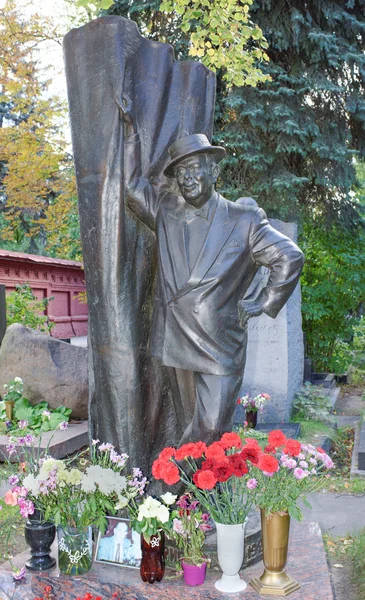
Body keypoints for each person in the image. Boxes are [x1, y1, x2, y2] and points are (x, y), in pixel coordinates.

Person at [119, 96, 304, 446]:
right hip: (175, 339)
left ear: (214, 171)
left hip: (221, 345)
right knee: (191, 427)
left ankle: (185, 490)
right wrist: (131, 135)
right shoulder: (166, 210)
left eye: (196, 169)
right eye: (181, 172)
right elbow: (131, 189)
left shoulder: (245, 219)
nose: (188, 178)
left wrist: (265, 302)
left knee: (210, 430)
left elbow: (289, 257)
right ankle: (196, 498)